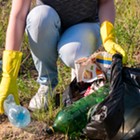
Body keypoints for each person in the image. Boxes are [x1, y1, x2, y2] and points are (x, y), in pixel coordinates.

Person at [0, 0, 127, 113]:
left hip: (85, 24)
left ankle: (79, 77)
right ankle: (47, 84)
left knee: (73, 52)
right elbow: (18, 16)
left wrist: (108, 35)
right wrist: (9, 75)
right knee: (38, 19)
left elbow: (105, 2)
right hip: (47, 21)